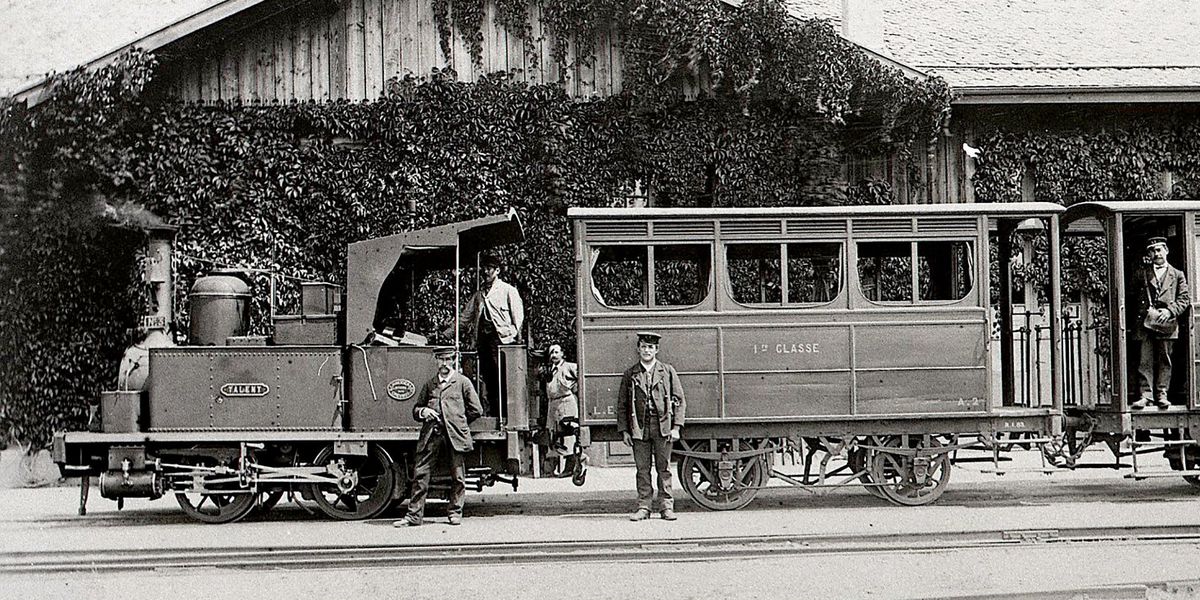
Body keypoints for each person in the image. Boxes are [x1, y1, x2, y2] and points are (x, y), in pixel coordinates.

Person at [395, 347, 483, 527]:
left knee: (458, 476)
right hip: (431, 435)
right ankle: (414, 516)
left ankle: (455, 512)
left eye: (448, 359)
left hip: (455, 436)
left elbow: (477, 410)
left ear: (454, 360)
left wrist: (457, 420)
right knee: (421, 475)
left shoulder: (462, 382)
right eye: (441, 360)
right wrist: (424, 411)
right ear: (436, 361)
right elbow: (416, 410)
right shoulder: (430, 384)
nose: (445, 364)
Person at [616, 331, 686, 521]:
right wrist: (624, 431)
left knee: (664, 469)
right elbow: (622, 404)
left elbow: (679, 400)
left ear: (656, 350)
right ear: (638, 349)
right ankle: (644, 507)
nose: (647, 350)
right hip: (639, 427)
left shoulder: (667, 371)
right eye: (644, 347)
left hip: (663, 426)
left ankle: (666, 507)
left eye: (651, 347)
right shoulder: (631, 374)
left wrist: (676, 427)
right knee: (642, 470)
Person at [459, 254, 524, 415]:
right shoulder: (479, 294)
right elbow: (465, 317)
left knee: (501, 377)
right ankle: (495, 414)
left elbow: (518, 315)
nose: (485, 272)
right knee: (488, 379)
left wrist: (513, 334)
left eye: (489, 269)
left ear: (497, 271)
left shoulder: (508, 290)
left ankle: (506, 414)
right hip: (483, 342)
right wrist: (445, 333)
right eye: (484, 268)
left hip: (501, 340)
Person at [1131, 236, 1190, 410]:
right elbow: (1132, 294)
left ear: (1166, 251)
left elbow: (1184, 298)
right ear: (1149, 253)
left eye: (1159, 250)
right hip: (1146, 324)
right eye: (1153, 250)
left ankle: (1162, 394)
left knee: (1165, 360)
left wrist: (1170, 311)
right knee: (1145, 360)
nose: (1156, 254)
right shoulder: (1142, 273)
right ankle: (1146, 395)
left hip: (1167, 323)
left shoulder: (1177, 274)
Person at [544, 343, 579, 477]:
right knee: (554, 435)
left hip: (566, 403)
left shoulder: (570, 367)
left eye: (556, 352)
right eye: (551, 352)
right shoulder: (550, 369)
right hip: (553, 405)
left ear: (562, 354)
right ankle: (554, 469)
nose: (554, 355)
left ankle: (570, 468)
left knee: (568, 435)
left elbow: (581, 379)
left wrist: (574, 389)